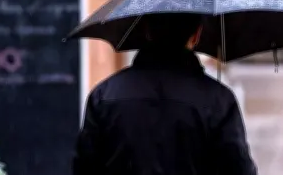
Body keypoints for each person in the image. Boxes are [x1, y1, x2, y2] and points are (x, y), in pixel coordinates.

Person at [73, 19, 258, 175]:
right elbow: (238, 169)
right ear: (196, 35)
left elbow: (84, 168)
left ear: (146, 30)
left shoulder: (103, 96)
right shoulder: (219, 101)